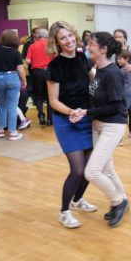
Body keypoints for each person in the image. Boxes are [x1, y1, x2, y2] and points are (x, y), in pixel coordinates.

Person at [72, 32, 129, 228]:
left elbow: (115, 106)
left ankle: (118, 201)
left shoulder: (113, 73)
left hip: (113, 125)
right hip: (98, 124)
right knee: (106, 168)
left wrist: (86, 112)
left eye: (92, 44)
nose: (88, 47)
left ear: (104, 49)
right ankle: (122, 198)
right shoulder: (99, 70)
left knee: (92, 172)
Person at [45, 21, 98, 229]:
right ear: (56, 43)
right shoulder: (55, 66)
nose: (68, 40)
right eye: (63, 38)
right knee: (77, 170)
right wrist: (70, 112)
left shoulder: (82, 58)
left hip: (85, 117)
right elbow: (53, 101)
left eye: (70, 36)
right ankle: (64, 211)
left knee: (90, 168)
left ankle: (77, 200)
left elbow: (91, 81)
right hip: (66, 120)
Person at [0, 29, 27, 140]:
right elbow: (20, 69)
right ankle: (12, 132)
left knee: (1, 104)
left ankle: (0, 130)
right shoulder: (15, 52)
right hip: (12, 78)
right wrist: (24, 80)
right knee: (12, 105)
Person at [25, 28, 54, 125]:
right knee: (51, 96)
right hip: (49, 71)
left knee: (38, 96)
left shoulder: (32, 46)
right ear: (47, 36)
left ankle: (41, 114)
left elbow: (28, 61)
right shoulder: (51, 46)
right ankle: (50, 119)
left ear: (38, 36)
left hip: (36, 73)